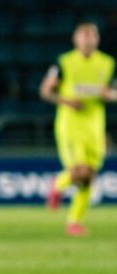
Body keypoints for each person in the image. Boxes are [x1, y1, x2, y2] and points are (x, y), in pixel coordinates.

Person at [40, 22, 116, 236]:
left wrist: (108, 95)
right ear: (76, 39)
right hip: (70, 124)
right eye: (83, 35)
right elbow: (45, 90)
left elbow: (112, 91)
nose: (87, 39)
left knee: (90, 176)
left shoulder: (107, 63)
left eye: (91, 35)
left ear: (97, 39)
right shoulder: (64, 61)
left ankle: (74, 221)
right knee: (79, 171)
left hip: (95, 125)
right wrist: (65, 101)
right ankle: (58, 184)